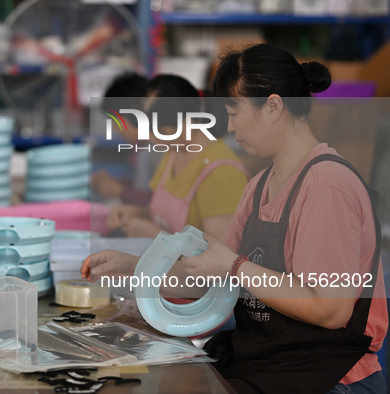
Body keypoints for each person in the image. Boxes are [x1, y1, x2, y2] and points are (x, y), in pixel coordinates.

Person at [83, 44, 388, 393]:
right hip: (272, 362)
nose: (228, 125)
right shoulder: (259, 187)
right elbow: (209, 276)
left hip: (330, 375)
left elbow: (329, 310)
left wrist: (236, 266)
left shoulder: (327, 185)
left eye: (233, 111)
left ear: (273, 107)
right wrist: (136, 267)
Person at [105, 74, 249, 239]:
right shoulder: (174, 151)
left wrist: (159, 236)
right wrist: (138, 213)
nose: (152, 139)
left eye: (161, 132)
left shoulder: (222, 174)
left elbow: (222, 257)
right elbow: (163, 213)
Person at [92, 72, 152, 205]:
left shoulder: (157, 151)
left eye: (116, 121)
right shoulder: (140, 149)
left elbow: (157, 202)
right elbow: (142, 187)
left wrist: (120, 191)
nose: (115, 128)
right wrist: (117, 183)